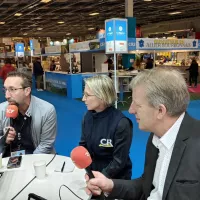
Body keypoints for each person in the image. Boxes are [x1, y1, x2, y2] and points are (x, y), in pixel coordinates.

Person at [86, 68, 200, 200]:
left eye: (137, 105)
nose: (130, 110)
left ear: (160, 111)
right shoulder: (156, 137)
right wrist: (110, 185)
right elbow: (148, 186)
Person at [80, 75, 133, 180]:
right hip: (92, 174)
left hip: (115, 180)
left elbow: (119, 161)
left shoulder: (121, 123)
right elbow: (83, 146)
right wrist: (88, 172)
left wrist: (101, 177)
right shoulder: (87, 117)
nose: (83, 99)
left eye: (87, 95)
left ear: (102, 96)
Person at [0, 71, 57, 157]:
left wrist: (29, 164)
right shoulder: (1, 109)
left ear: (27, 91)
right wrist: (3, 140)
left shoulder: (47, 110)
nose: (7, 95)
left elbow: (46, 145)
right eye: (5, 89)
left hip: (36, 159)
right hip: (8, 159)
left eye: (12, 89)